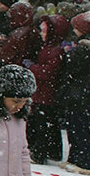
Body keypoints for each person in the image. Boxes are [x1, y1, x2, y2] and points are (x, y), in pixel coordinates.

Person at [27, 14, 69, 165]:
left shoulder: (55, 50)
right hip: (44, 92)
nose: (41, 34)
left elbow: (49, 72)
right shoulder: (50, 47)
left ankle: (39, 153)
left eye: (44, 31)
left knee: (42, 124)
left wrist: (31, 67)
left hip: (46, 92)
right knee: (49, 123)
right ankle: (53, 151)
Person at [59, 12, 90, 175]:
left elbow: (73, 68)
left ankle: (84, 161)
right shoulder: (87, 46)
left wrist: (68, 56)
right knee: (75, 125)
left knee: (78, 126)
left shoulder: (84, 48)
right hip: (84, 92)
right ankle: (75, 157)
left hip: (81, 92)